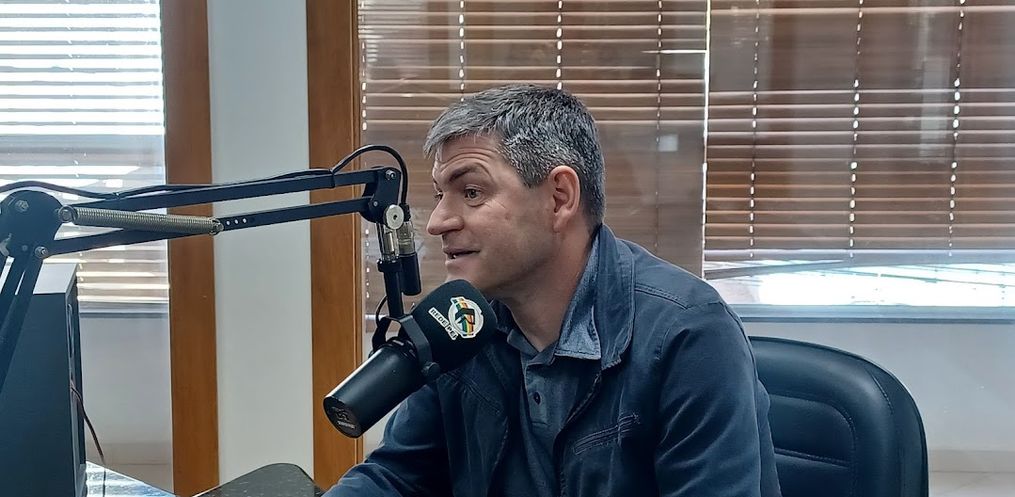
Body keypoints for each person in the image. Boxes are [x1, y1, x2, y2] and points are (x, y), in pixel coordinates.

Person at [324, 84, 781, 497]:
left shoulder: (690, 335)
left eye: (472, 192)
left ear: (559, 198)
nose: (438, 221)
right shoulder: (459, 324)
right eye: (441, 195)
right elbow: (396, 477)